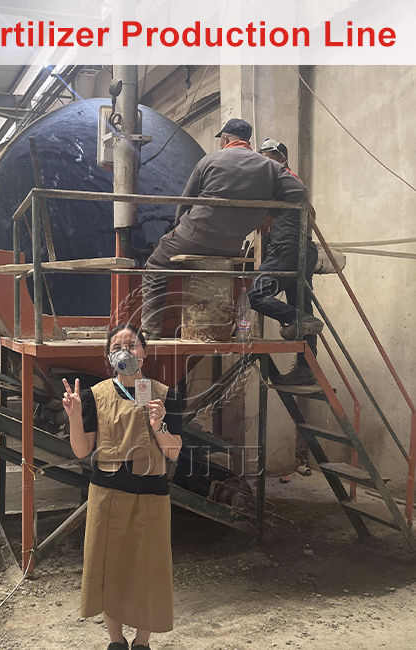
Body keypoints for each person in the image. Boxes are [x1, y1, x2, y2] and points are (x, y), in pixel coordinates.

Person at [62, 324, 183, 650]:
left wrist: (159, 426)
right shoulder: (94, 395)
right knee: (108, 569)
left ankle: (142, 642)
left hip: (151, 495)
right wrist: (75, 416)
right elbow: (81, 450)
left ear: (144, 352)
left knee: (149, 570)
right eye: (116, 347)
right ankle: (116, 641)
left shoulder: (164, 395)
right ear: (108, 356)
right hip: (107, 495)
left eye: (131, 345)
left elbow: (173, 451)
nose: (124, 352)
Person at [141, 118, 308, 340]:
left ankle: (151, 330)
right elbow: (299, 192)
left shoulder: (209, 160)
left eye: (222, 140)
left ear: (226, 139)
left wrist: (178, 229)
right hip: (231, 245)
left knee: (155, 266)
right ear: (247, 141)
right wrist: (269, 213)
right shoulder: (271, 167)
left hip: (193, 235)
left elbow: (184, 203)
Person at [248, 138, 324, 385]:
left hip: (288, 250)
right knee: (301, 305)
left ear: (282, 159)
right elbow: (311, 213)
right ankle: (306, 369)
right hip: (302, 251)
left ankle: (299, 319)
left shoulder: (282, 179)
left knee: (255, 295)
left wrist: (269, 218)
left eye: (268, 159)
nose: (264, 165)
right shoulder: (292, 182)